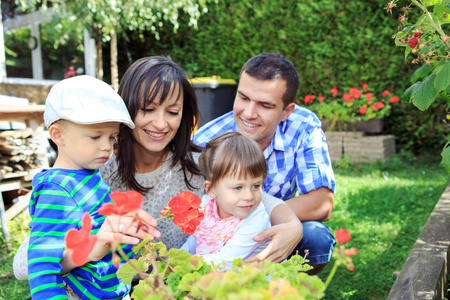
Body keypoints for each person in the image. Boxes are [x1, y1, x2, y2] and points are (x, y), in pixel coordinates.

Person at [101, 56, 302, 260]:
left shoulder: (199, 164)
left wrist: (294, 226)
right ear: (126, 107)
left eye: (172, 112)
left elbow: (260, 199)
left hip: (188, 283)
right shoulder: (103, 168)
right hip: (116, 286)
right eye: (148, 109)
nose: (161, 124)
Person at [192, 52, 336, 274]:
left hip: (272, 230)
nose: (249, 113)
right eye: (243, 98)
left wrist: (286, 224)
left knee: (315, 237)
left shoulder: (303, 126)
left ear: (286, 111)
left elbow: (322, 203)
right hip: (219, 237)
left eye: (265, 105)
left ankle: (280, 285)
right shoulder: (206, 140)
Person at [26, 75, 156, 299]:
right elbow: (42, 263)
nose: (107, 146)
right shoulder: (56, 190)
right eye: (95, 136)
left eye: (112, 137)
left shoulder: (87, 175)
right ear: (58, 135)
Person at [180, 132, 271, 270]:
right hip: (215, 276)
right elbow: (194, 240)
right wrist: (175, 259)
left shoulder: (256, 220)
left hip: (253, 284)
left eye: (256, 186)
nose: (249, 196)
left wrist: (184, 264)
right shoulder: (206, 206)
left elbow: (225, 262)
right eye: (238, 187)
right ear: (211, 189)